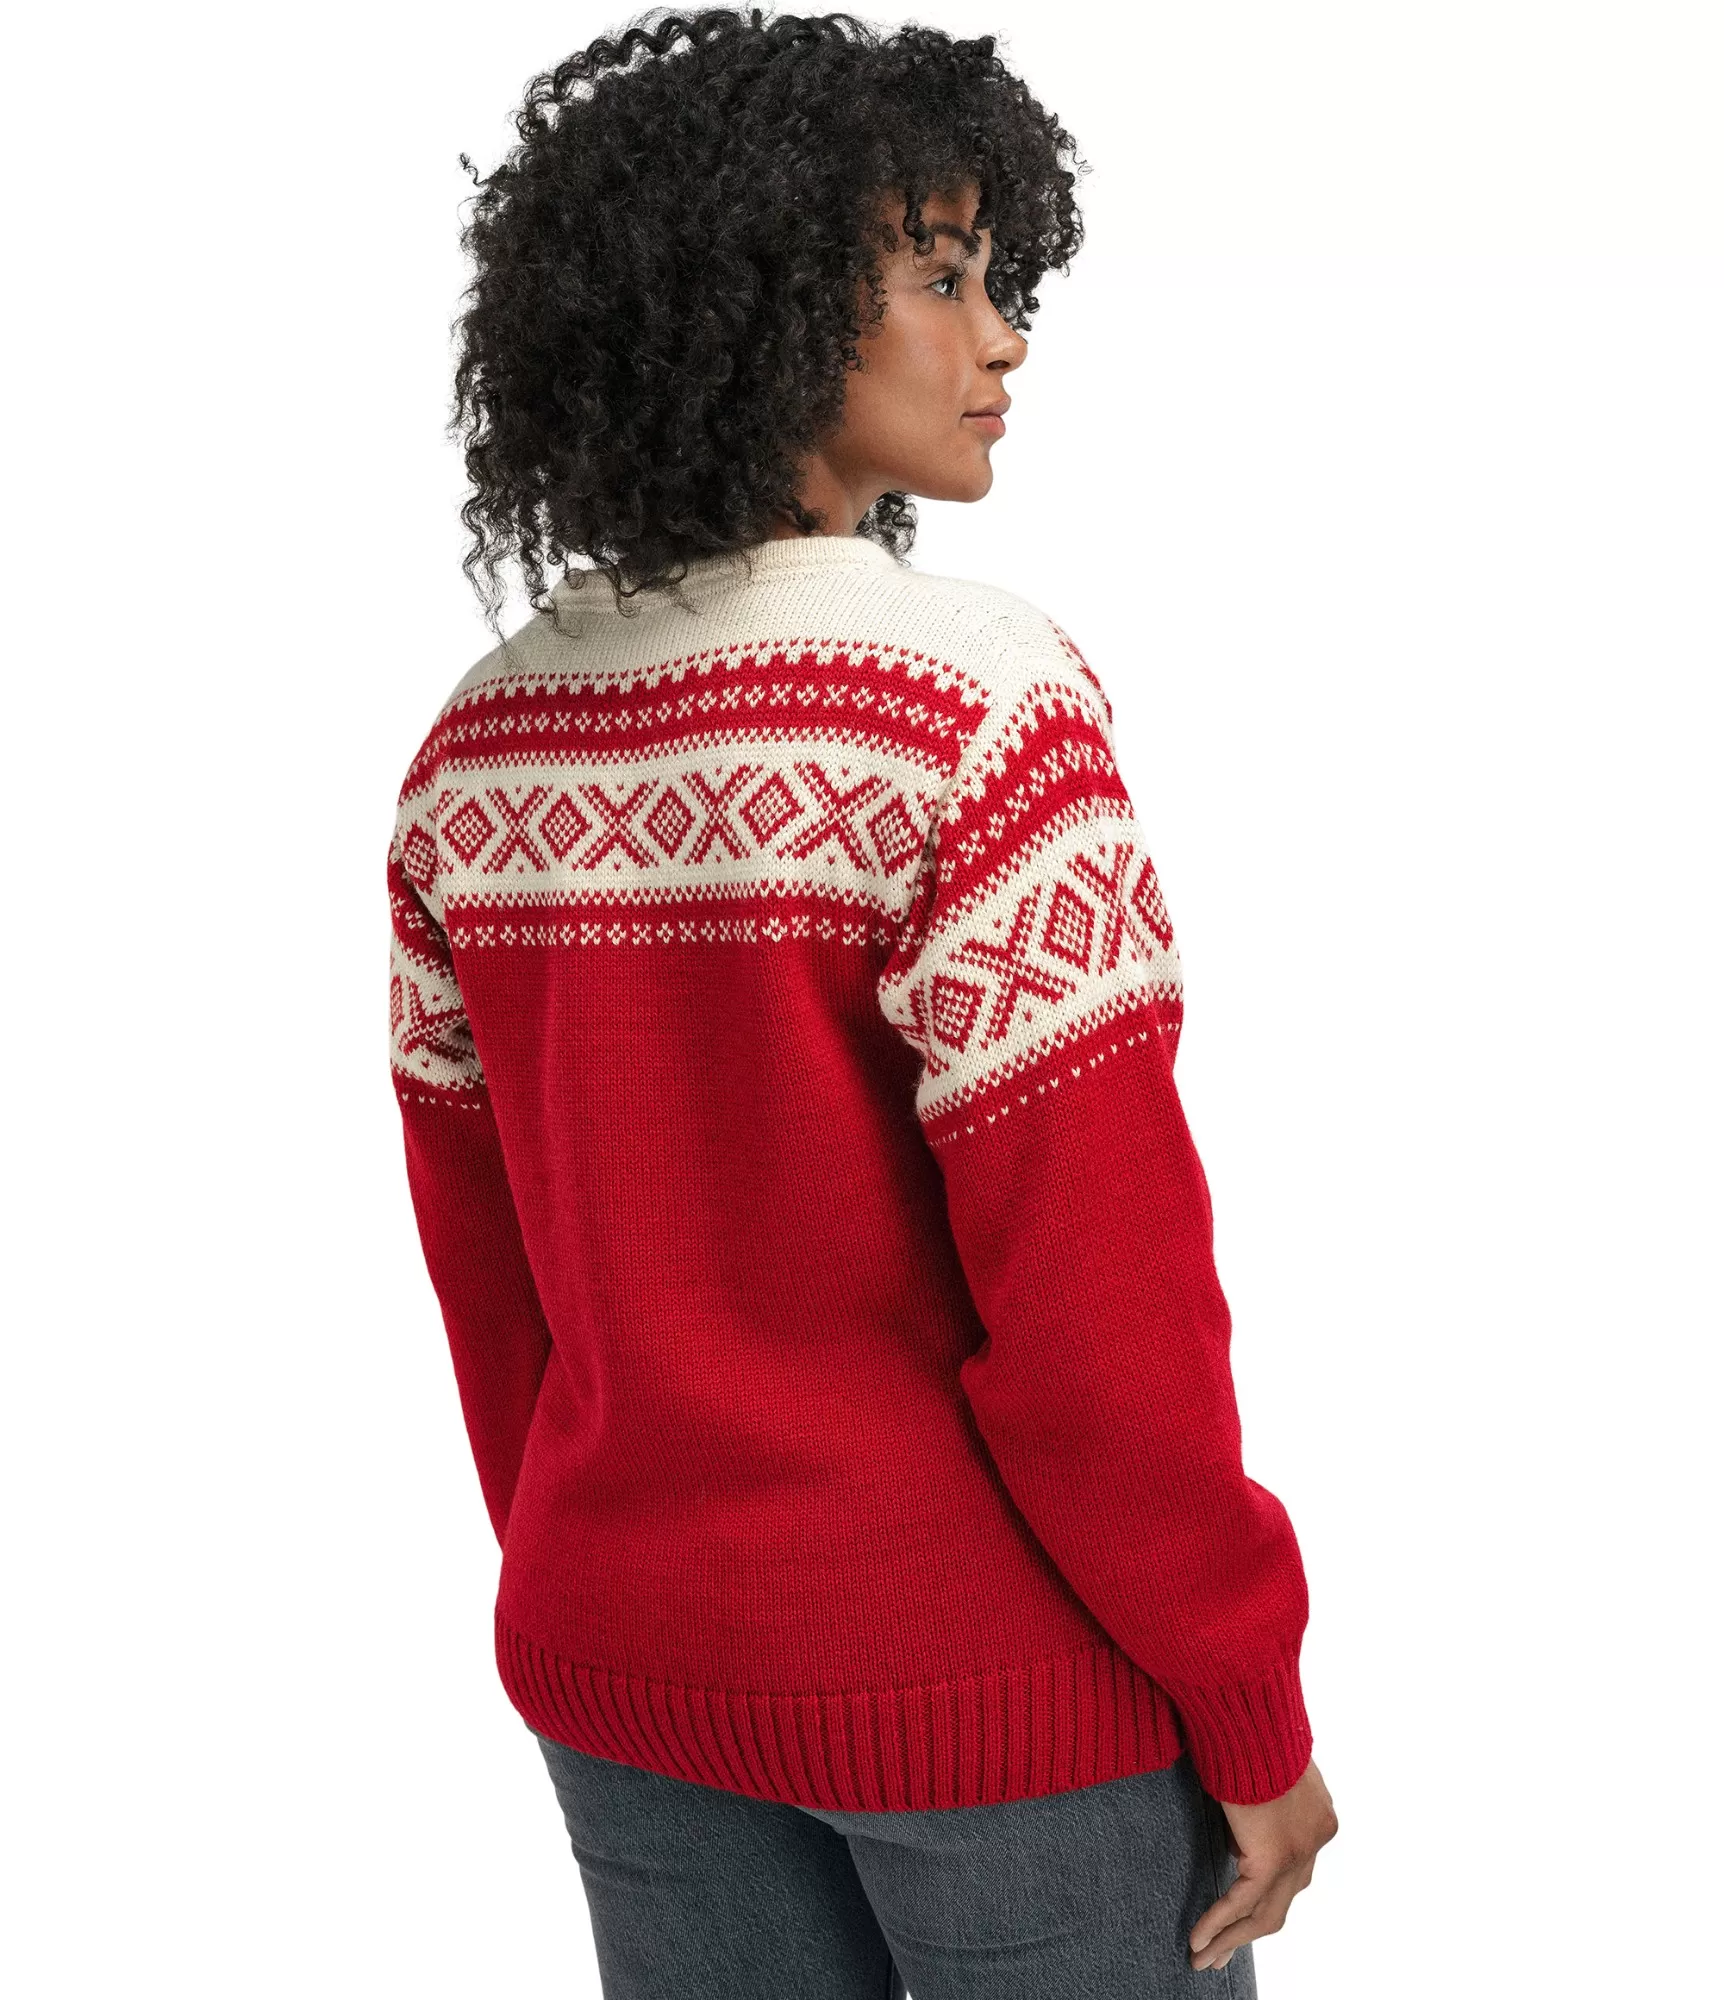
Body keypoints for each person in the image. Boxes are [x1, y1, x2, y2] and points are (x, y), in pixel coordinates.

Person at [388, 9, 1337, 1995]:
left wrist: (605, 1584)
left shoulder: (476, 756)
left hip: (623, 1665)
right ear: (762, 307)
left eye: (997, 275)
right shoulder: (972, 711)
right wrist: (1247, 1701)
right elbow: (1100, 1307)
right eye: (940, 276)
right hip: (992, 1698)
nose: (1004, 336)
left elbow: (497, 1288)